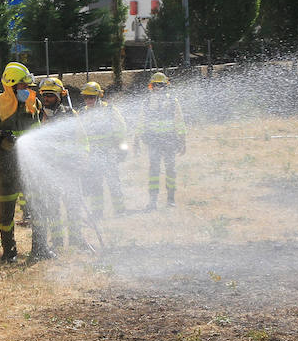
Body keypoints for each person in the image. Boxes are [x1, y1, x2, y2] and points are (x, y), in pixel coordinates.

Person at [0, 61, 45, 262]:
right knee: (7, 215)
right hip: (7, 170)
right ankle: (9, 252)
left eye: (27, 86)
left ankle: (40, 250)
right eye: (23, 86)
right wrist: (1, 141)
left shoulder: (34, 103)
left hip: (31, 168)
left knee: (38, 208)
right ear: (11, 85)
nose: (27, 90)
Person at [33, 77, 90, 253]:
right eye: (44, 95)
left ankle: (77, 238)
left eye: (50, 95)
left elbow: (83, 139)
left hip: (70, 167)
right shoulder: (38, 116)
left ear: (59, 96)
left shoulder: (71, 115)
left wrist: (82, 159)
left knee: (73, 204)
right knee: (53, 206)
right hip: (49, 169)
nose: (46, 99)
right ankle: (57, 241)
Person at [77, 80, 127, 216]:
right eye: (86, 97)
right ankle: (97, 212)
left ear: (98, 97)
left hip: (109, 152)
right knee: (95, 184)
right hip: (92, 154)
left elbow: (121, 128)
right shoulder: (81, 113)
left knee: (113, 182)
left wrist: (119, 147)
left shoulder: (109, 110)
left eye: (92, 97)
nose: (88, 100)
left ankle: (120, 210)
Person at [139, 71, 186, 209]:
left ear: (166, 86)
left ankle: (171, 199)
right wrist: (136, 141)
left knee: (170, 170)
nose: (158, 88)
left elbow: (180, 122)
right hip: (153, 142)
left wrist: (183, 141)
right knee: (154, 171)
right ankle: (153, 200)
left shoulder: (172, 101)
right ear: (151, 86)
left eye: (160, 85)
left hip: (169, 141)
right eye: (155, 85)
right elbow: (141, 123)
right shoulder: (146, 102)